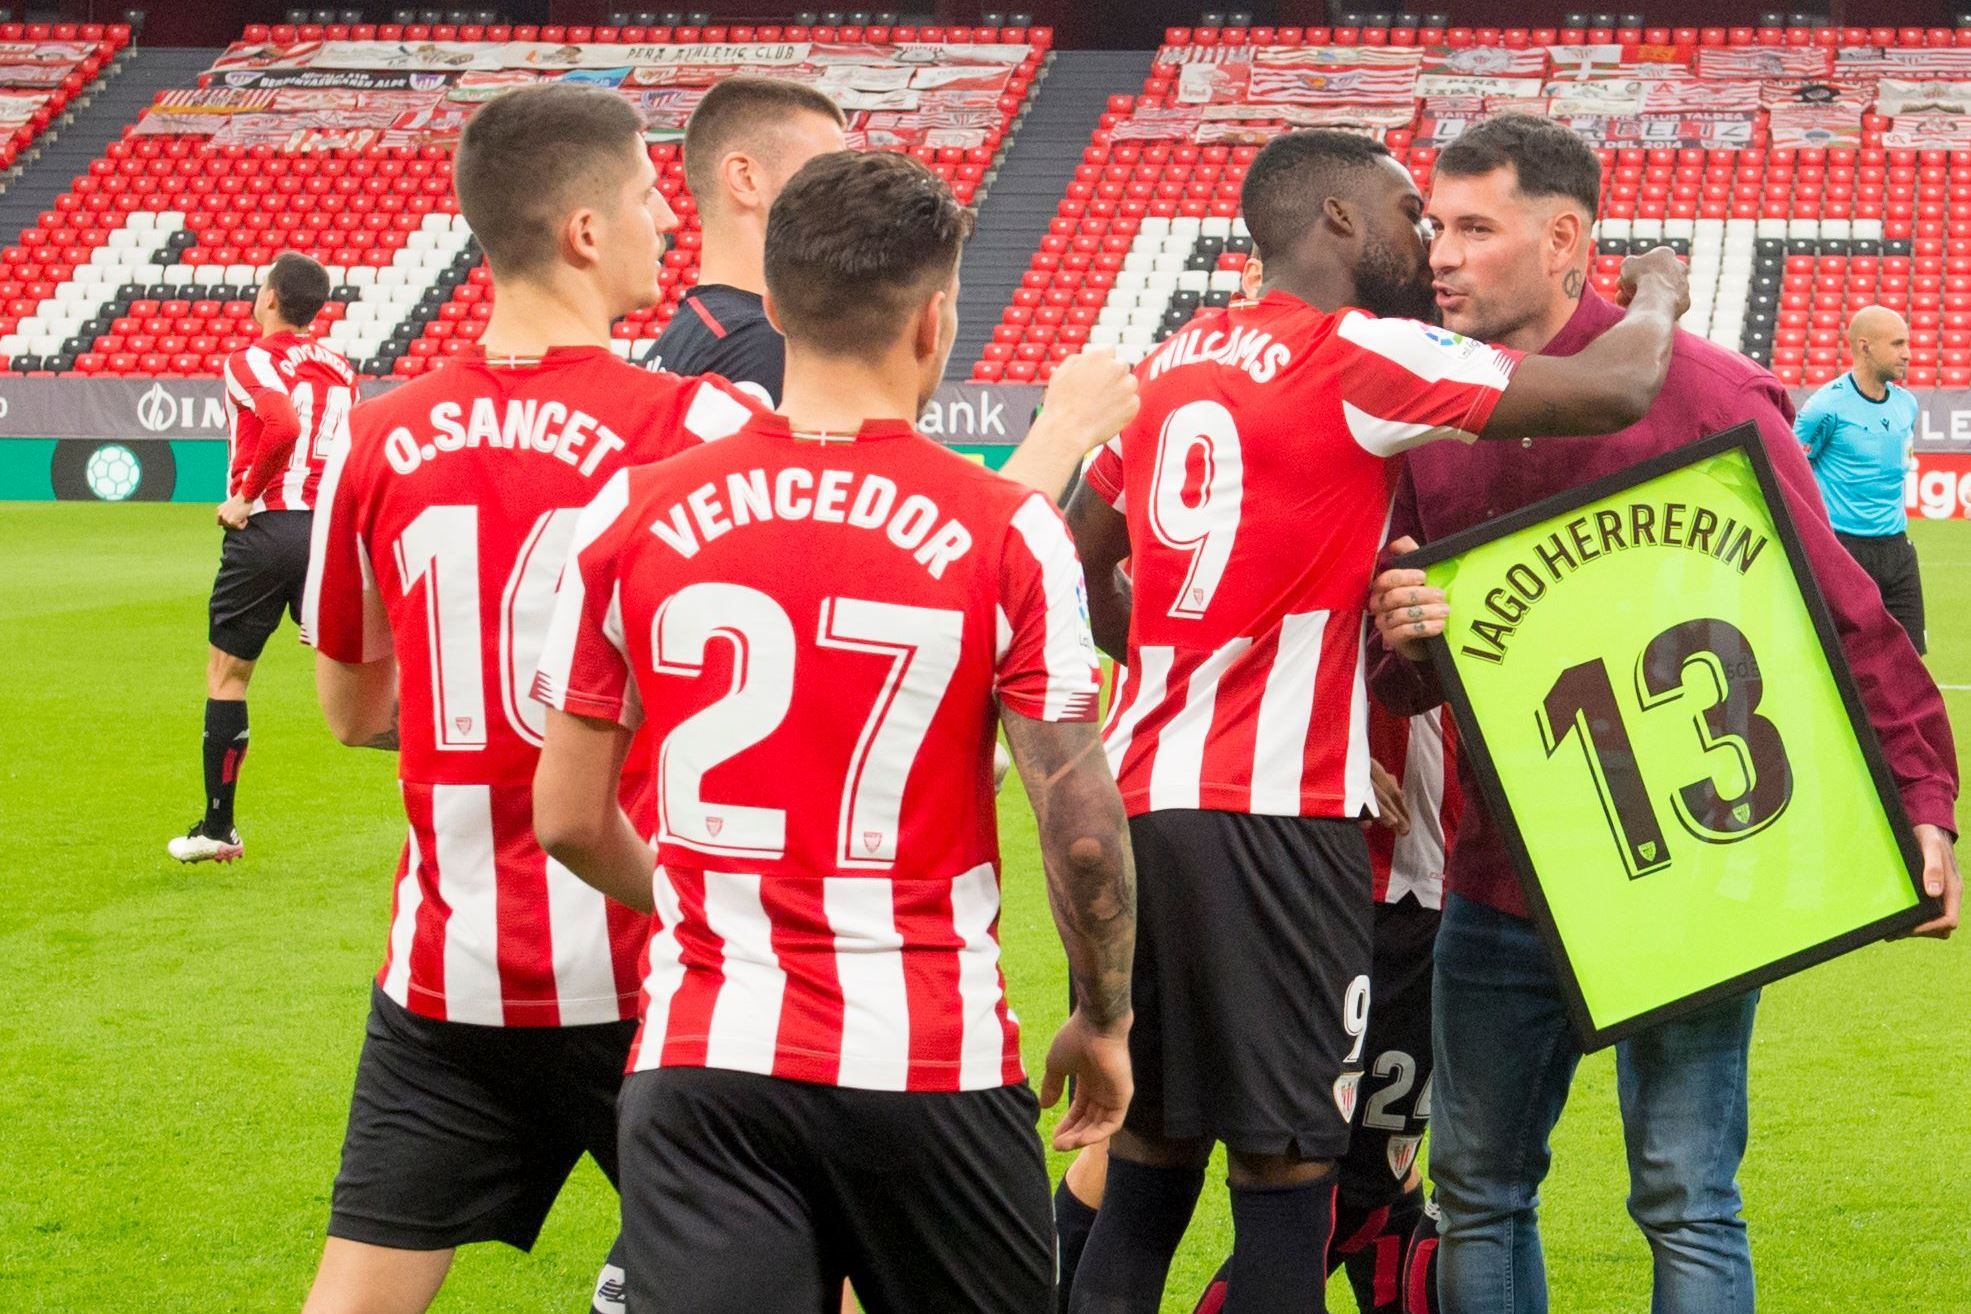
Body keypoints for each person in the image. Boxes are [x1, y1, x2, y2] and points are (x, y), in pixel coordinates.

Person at [1058, 127, 1690, 1314]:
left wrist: (1172, 654)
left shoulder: (1167, 365)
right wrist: (1655, 283)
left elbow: (1077, 562)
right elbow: (1618, 386)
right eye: (1411, 211)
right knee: (1291, 1176)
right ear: (1340, 223)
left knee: (1146, 1173)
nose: (1427, 239)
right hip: (1276, 823)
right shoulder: (1355, 352)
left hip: (1142, 803)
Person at [1366, 112, 1961, 1314]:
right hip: (1504, 873)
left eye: (1473, 228)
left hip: (1688, 881)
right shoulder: (1425, 407)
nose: (1439, 254)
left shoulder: (1707, 391)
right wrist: (1401, 644)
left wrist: (1925, 802)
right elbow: (1416, 678)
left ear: (1567, 238)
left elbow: (1845, 612)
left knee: (1687, 1196)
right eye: (1436, 225)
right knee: (1479, 1190)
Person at [530, 148, 1137, 1313]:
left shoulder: (632, 510)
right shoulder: (1008, 529)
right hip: (930, 1061)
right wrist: (1104, 1016)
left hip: (703, 1058)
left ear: (778, 303)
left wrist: (715, 904)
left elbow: (564, 818)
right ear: (934, 318)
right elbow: (1086, 834)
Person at [297, 82, 770, 1314]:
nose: (667, 218)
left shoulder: (377, 438)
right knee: (791, 1285)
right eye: (644, 195)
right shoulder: (706, 423)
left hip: (448, 976)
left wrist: (489, 718)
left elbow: (350, 712)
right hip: (659, 966)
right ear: (581, 231)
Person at [168, 251, 356, 864]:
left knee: (228, 676)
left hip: (269, 527)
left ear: (271, 298)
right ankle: (477, 785)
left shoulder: (249, 359)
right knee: (367, 684)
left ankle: (218, 830)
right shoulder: (340, 365)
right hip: (330, 531)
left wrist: (244, 497)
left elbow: (279, 424)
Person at [639, 75, 847, 400]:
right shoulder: (762, 344)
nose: (849, 193)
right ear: (745, 178)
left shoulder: (686, 334)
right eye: (829, 173)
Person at [1795, 305, 1926, 651]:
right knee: (1848, 664)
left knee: (1909, 664)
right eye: (1898, 344)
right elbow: (1792, 470)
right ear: (1865, 346)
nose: (1908, 355)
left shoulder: (1907, 405)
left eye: (1907, 344)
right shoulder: (1825, 408)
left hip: (1897, 550)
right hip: (1844, 550)